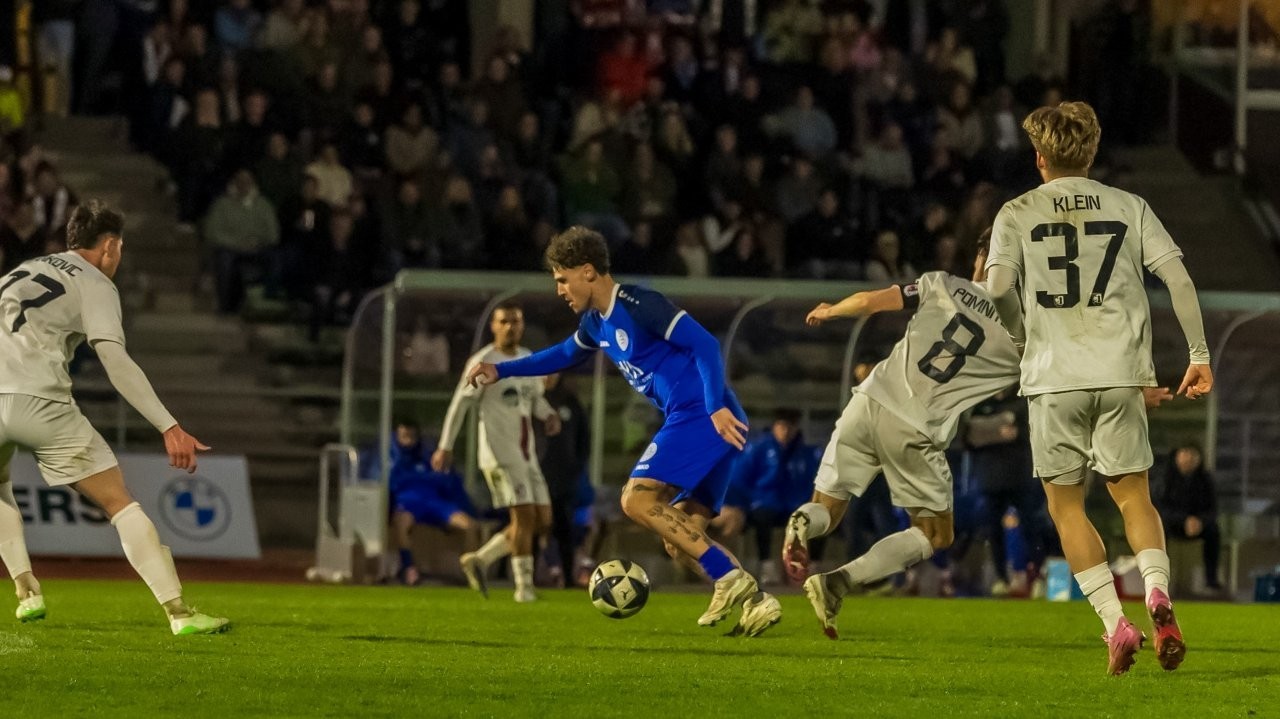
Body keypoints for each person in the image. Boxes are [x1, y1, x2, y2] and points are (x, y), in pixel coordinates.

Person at [984, 101, 1213, 675]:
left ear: (1040, 157)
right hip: (1120, 373)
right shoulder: (1129, 205)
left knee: (1066, 508)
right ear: (1091, 153)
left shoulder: (1016, 212)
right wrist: (1199, 355)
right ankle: (1156, 591)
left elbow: (998, 289)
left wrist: (1020, 337)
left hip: (1053, 376)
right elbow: (1178, 277)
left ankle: (1116, 624)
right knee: (1134, 498)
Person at [464, 226, 780, 637]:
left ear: (588, 271)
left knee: (636, 499)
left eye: (563, 279)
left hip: (702, 413)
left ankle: (730, 577)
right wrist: (501, 370)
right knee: (681, 538)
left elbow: (705, 345)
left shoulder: (639, 303)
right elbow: (563, 354)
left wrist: (715, 405)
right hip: (702, 417)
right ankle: (756, 602)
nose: (559, 290)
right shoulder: (596, 323)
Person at [0, 201, 227, 635]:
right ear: (108, 246)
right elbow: (114, 360)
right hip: (39, 399)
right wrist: (168, 425)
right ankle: (179, 613)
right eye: (119, 249)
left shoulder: (20, 271)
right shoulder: (94, 281)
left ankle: (26, 589)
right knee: (118, 502)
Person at [786, 233, 1020, 640]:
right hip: (915, 425)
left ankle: (802, 521)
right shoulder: (1023, 334)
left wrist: (830, 310)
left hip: (867, 401)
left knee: (827, 508)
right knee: (936, 534)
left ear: (981, 259)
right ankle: (838, 582)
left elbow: (869, 301)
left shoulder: (940, 283)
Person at [433, 302, 561, 603]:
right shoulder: (483, 361)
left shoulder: (527, 358)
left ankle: (480, 559)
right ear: (493, 326)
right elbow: (460, 403)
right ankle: (524, 589)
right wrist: (445, 445)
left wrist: (548, 414)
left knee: (543, 519)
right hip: (499, 454)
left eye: (515, 321)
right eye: (503, 322)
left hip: (526, 454)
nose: (509, 327)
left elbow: (532, 399)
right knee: (525, 517)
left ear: (522, 325)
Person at [361, 421, 478, 585]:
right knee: (401, 523)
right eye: (404, 436)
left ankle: (472, 572)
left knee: (470, 526)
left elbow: (448, 482)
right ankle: (409, 568)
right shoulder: (390, 459)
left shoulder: (429, 456)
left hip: (436, 504)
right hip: (409, 504)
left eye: (411, 436)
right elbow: (383, 484)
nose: (408, 440)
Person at [730, 408, 821, 584]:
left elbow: (812, 482)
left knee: (817, 518)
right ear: (774, 427)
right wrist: (751, 500)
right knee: (763, 517)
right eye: (782, 427)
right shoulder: (759, 449)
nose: (785, 432)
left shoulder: (805, 453)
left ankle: (812, 566)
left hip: (794, 504)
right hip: (764, 503)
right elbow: (740, 479)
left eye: (790, 427)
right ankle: (766, 565)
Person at [538, 373, 591, 587]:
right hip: (536, 475)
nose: (548, 377)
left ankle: (568, 578)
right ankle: (526, 578)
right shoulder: (531, 399)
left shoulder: (570, 402)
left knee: (564, 529)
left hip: (563, 479)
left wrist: (575, 467)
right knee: (534, 526)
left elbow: (584, 439)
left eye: (553, 372)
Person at [1156, 443, 1222, 592]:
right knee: (1159, 531)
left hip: (1198, 526)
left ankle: (1211, 581)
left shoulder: (1206, 480)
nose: (1189, 458)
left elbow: (1213, 510)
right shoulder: (1165, 479)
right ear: (1176, 456)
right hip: (1173, 524)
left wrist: (1200, 521)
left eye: (1193, 454)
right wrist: (1184, 519)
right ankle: (1159, 579)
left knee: (1214, 532)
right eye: (1185, 453)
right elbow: (1161, 509)